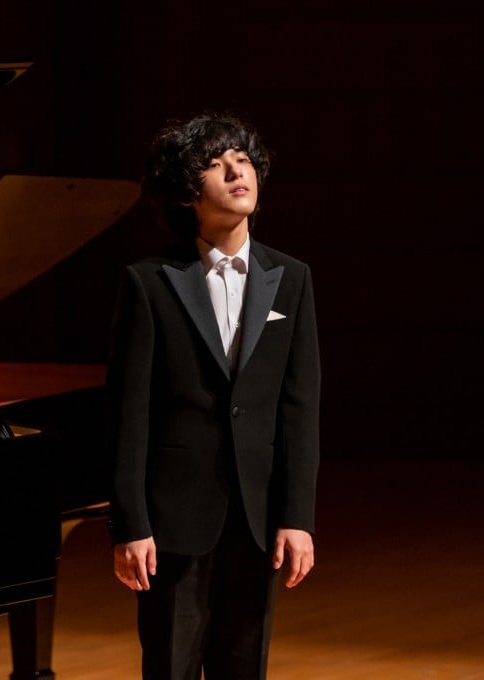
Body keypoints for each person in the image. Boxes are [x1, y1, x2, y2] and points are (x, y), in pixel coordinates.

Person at [107, 113, 320, 680]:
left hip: (257, 519)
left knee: (244, 666)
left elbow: (300, 410)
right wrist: (130, 523)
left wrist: (297, 517)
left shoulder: (291, 278)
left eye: (243, 160)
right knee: (171, 665)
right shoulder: (150, 282)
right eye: (214, 164)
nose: (235, 172)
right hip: (174, 520)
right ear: (184, 191)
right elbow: (129, 415)